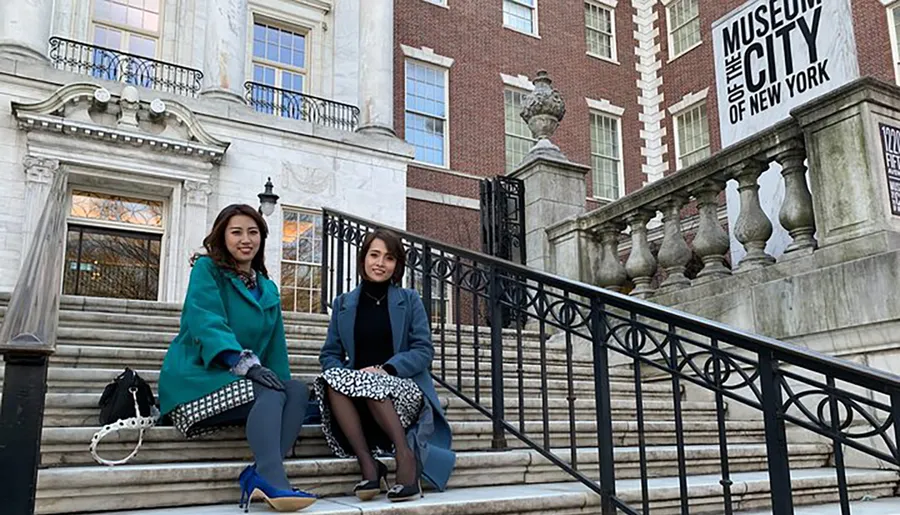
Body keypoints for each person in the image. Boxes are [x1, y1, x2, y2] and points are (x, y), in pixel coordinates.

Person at [158, 204, 316, 513]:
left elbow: (275, 349)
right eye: (237, 232)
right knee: (269, 391)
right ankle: (272, 477)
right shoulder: (207, 270)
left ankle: (262, 471)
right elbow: (206, 322)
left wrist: (278, 382)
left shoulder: (268, 289)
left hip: (243, 385)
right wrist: (245, 364)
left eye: (253, 232)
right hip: (198, 379)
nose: (246, 239)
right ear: (222, 237)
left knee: (295, 390)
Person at [314, 229, 456, 503]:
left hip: (404, 388)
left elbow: (424, 350)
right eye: (374, 255)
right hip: (360, 390)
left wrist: (387, 369)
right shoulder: (343, 304)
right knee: (330, 381)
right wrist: (348, 376)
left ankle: (406, 458)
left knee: (370, 383)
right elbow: (329, 355)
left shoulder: (410, 299)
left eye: (389, 258)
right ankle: (369, 465)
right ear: (363, 259)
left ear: (397, 265)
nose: (380, 263)